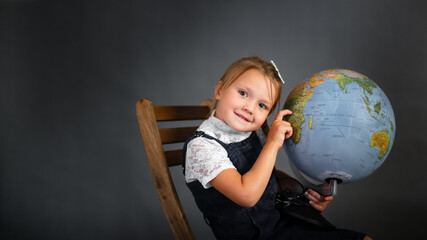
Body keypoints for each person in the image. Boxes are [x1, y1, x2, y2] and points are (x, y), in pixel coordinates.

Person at [182, 56, 371, 240]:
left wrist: (305, 194)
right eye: (243, 93)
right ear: (219, 90)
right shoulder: (201, 147)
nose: (250, 108)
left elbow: (267, 176)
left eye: (262, 105)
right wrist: (272, 144)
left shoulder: (250, 133)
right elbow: (247, 195)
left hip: (280, 224)